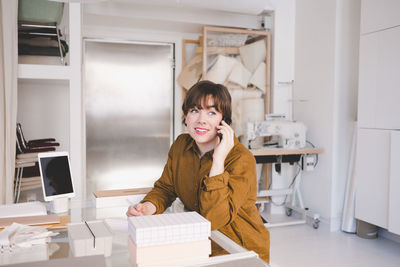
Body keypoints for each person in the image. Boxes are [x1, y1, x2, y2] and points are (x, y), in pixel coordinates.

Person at [126, 80, 270, 262]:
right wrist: (147, 207)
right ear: (186, 116)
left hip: (238, 250)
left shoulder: (241, 158)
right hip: (197, 244)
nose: (201, 120)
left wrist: (218, 161)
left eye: (212, 112)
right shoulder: (181, 145)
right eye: (195, 110)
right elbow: (166, 189)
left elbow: (215, 219)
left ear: (223, 121)